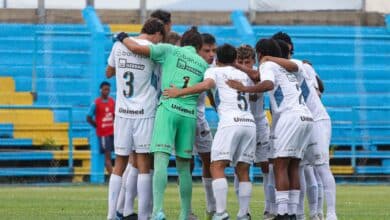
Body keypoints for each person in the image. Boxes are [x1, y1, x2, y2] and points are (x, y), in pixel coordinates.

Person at [116, 26, 209, 220]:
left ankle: (158, 211)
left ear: (183, 42)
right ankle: (185, 214)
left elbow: (137, 49)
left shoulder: (169, 50)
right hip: (189, 115)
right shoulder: (202, 64)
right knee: (184, 167)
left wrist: (123, 37)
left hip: (168, 109)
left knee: (160, 162)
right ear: (199, 46)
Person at [164, 44, 257, 220]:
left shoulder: (214, 71)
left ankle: (220, 212)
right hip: (249, 122)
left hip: (230, 122)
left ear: (217, 59)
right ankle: (243, 214)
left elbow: (206, 85)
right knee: (243, 169)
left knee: (216, 166)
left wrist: (179, 92)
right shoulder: (245, 74)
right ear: (234, 59)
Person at [227, 38, 313, 220]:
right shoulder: (285, 67)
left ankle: (281, 213)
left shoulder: (267, 65)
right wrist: (240, 67)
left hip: (288, 117)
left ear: (259, 54)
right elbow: (261, 76)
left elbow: (268, 84)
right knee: (293, 166)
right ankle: (292, 213)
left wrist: (244, 88)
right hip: (305, 116)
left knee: (279, 165)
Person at [272, 32, 337, 220]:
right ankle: (299, 213)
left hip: (316, 119)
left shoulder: (301, 65)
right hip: (298, 120)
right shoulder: (276, 69)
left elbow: (320, 88)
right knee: (298, 167)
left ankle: (329, 214)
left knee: (321, 165)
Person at [105, 18, 165, 220]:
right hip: (145, 112)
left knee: (119, 164)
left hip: (122, 111)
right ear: (157, 34)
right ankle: (144, 216)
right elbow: (161, 81)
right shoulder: (154, 51)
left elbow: (109, 71)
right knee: (143, 164)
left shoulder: (118, 45)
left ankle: (111, 215)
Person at [235, 44, 273, 220]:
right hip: (241, 123)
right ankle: (244, 211)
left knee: (266, 166)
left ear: (253, 61)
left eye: (247, 62)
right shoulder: (232, 75)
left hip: (259, 123)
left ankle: (269, 208)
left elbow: (261, 81)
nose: (244, 65)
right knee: (241, 167)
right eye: (240, 62)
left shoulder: (259, 73)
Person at [196, 32, 217, 220]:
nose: (211, 54)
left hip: (200, 119)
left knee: (208, 159)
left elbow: (211, 92)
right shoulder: (190, 64)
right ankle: (185, 210)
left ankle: (211, 206)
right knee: (183, 162)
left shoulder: (212, 68)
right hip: (182, 116)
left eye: (213, 51)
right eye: (207, 50)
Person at [86, 81, 115, 175]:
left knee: (119, 154)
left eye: (108, 89)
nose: (107, 91)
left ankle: (117, 176)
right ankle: (113, 177)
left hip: (113, 132)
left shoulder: (112, 101)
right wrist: (97, 126)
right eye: (105, 89)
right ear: (100, 90)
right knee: (108, 156)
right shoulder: (96, 103)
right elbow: (88, 117)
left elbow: (115, 116)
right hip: (103, 134)